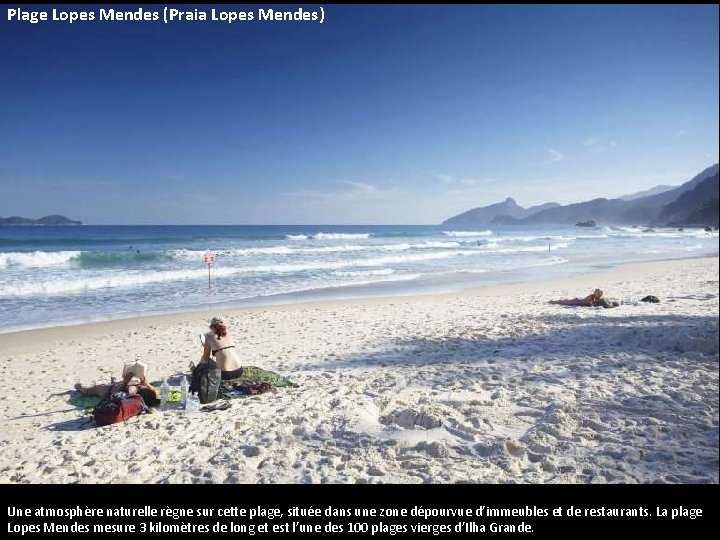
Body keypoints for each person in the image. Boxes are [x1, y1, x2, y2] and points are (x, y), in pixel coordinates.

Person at [74, 361, 160, 406]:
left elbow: (125, 392)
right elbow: (154, 391)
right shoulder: (150, 395)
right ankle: (114, 382)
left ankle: (80, 388)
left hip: (109, 391)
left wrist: (126, 381)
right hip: (115, 388)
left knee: (92, 389)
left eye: (145, 388)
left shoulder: (133, 393)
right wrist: (147, 384)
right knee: (115, 384)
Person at [549, 288, 620, 308]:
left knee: (565, 302)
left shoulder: (597, 298)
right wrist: (594, 305)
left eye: (600, 294)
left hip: (580, 302)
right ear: (595, 293)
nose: (600, 295)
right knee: (564, 302)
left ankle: (553, 302)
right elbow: (590, 304)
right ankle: (553, 302)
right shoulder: (591, 297)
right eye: (598, 294)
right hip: (577, 301)